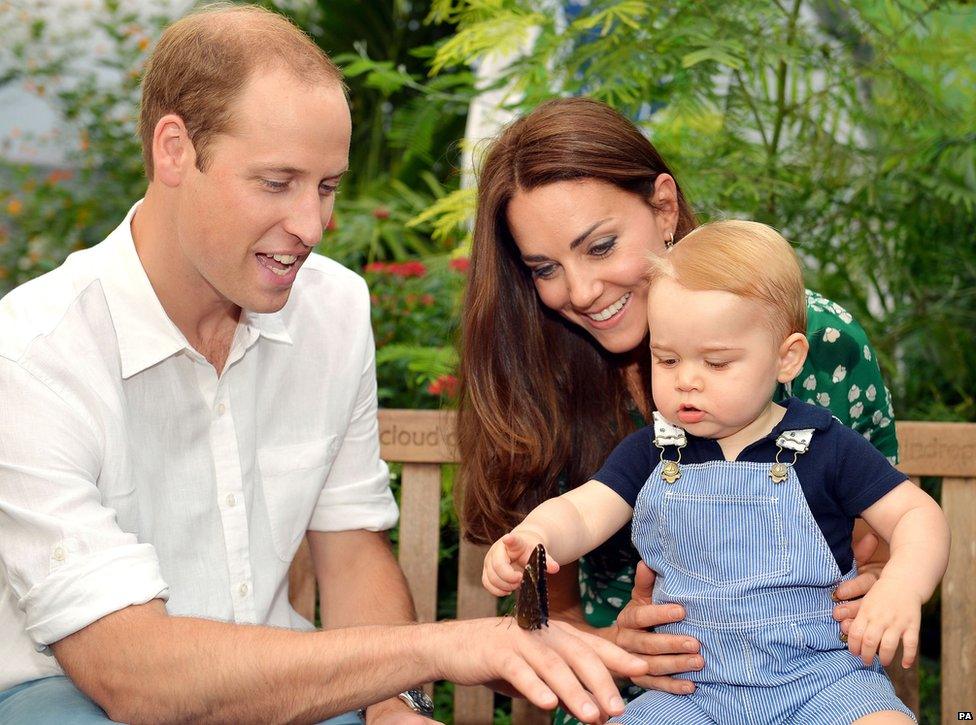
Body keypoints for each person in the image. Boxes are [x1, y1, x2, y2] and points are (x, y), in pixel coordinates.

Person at [0, 7, 649, 724]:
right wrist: (440, 647)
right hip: (70, 699)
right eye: (278, 183)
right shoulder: (31, 354)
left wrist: (394, 706)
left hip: (293, 692)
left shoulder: (333, 307)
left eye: (328, 186)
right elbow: (130, 674)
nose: (313, 226)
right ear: (174, 150)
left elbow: (349, 553)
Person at [456, 97, 901, 721]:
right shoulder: (543, 379)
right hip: (644, 699)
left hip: (811, 683)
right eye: (546, 268)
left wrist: (883, 587)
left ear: (663, 207)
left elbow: (884, 548)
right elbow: (542, 628)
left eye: (602, 246)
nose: (581, 291)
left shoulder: (813, 342)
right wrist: (617, 649)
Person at [482, 220, 949, 723]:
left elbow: (917, 516)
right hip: (690, 689)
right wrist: (537, 536)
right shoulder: (654, 452)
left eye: (717, 363)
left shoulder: (823, 445)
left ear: (786, 358)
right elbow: (582, 511)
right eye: (666, 358)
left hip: (823, 676)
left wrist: (903, 585)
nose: (687, 381)